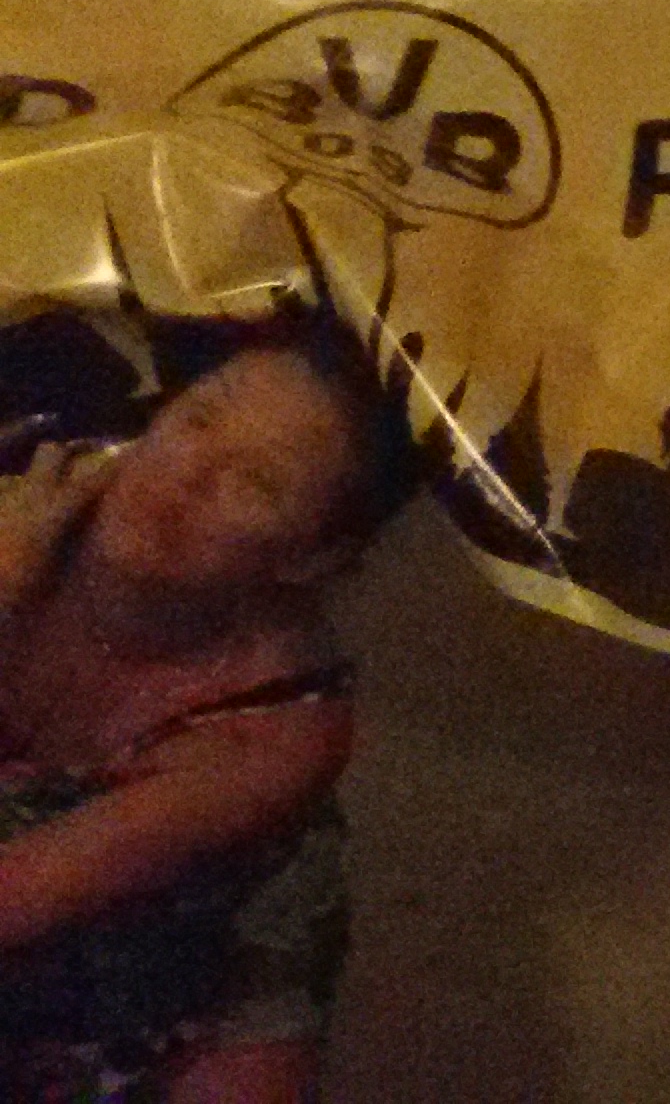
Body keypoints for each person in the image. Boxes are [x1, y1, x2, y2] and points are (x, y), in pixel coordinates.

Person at [0, 305, 422, 1100]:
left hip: (143, 967)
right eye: (198, 418)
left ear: (312, 557)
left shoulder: (280, 723)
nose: (183, 476)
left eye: (254, 482)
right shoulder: (31, 496)